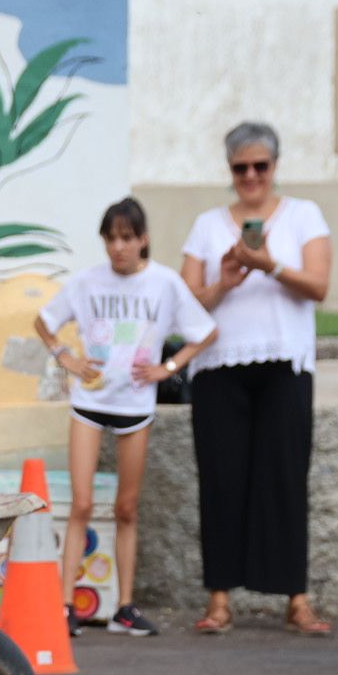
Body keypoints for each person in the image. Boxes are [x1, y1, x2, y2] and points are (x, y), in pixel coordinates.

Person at [35, 196, 217, 637]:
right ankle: (64, 605)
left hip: (135, 405)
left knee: (127, 507)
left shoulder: (164, 283)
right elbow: (44, 320)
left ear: (143, 240)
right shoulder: (86, 282)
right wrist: (67, 358)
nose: (118, 247)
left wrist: (168, 369)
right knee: (80, 504)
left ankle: (124, 607)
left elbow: (205, 331)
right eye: (111, 238)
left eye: (127, 238)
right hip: (89, 403)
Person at [178, 122, 333, 636]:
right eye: (240, 168)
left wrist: (269, 265)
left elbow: (318, 284)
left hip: (284, 364)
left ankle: (296, 598)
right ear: (229, 171)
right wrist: (224, 281)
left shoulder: (304, 215)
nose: (250, 176)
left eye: (259, 167)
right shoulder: (206, 225)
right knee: (221, 481)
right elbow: (185, 304)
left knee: (285, 479)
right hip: (219, 368)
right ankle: (219, 599)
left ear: (274, 167)